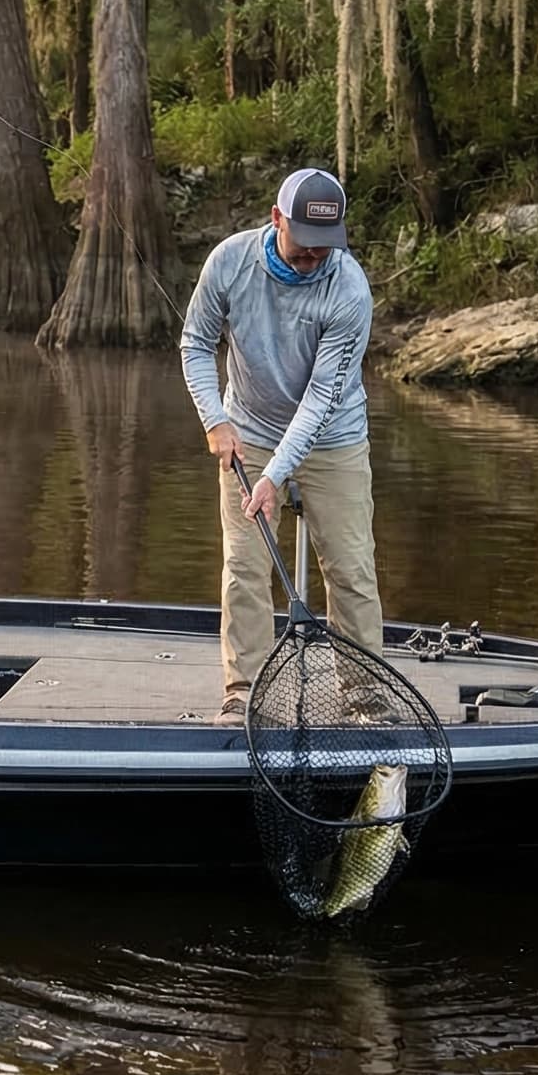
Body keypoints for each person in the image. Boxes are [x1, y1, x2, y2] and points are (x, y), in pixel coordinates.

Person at [179, 166, 381, 722]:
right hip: (247, 431)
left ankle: (363, 697)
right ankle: (242, 691)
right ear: (276, 219)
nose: (315, 257)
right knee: (244, 565)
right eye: (305, 244)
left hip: (332, 437)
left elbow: (320, 401)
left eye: (326, 246)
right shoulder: (229, 262)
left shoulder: (349, 289)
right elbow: (195, 343)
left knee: (351, 568)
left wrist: (276, 478)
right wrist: (215, 421)